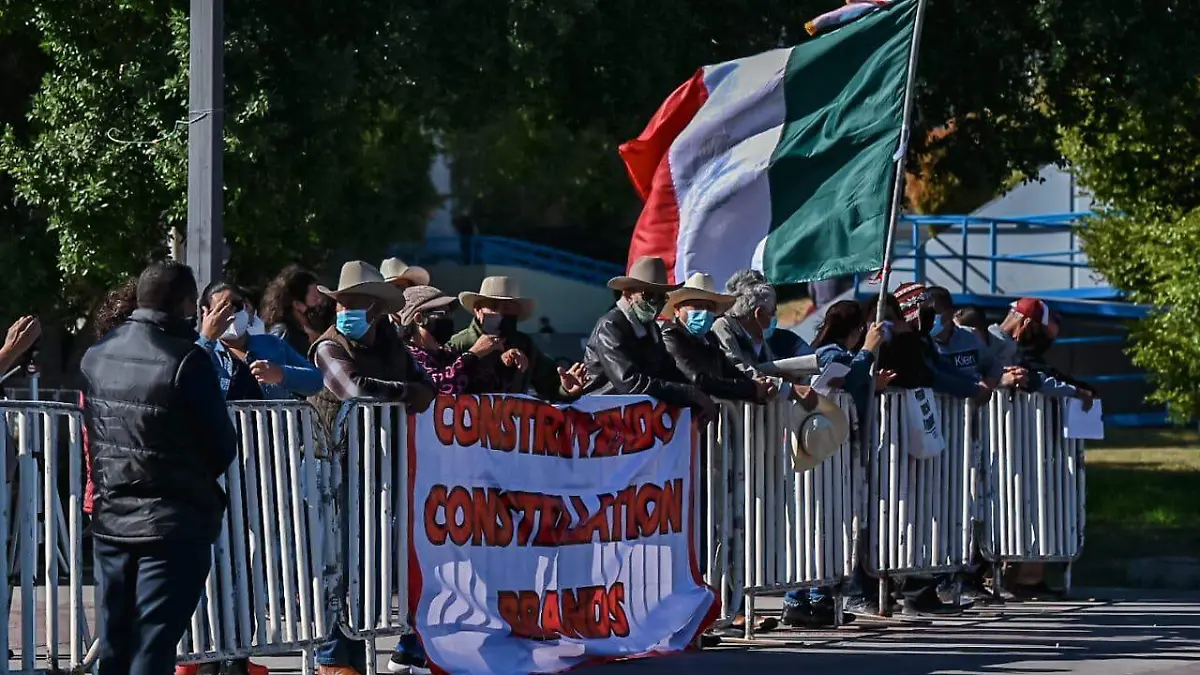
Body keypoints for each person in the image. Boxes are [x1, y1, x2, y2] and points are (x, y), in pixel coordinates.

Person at [81, 261, 237, 675]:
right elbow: (221, 446)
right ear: (186, 304)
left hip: (112, 520)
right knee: (152, 643)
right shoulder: (187, 360)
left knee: (116, 644)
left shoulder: (95, 356)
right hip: (172, 522)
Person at [309, 261, 436, 675]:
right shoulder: (328, 346)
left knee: (374, 565)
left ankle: (366, 652)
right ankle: (331, 656)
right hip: (336, 468)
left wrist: (407, 392)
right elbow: (353, 389)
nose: (345, 310)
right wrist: (406, 393)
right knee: (335, 564)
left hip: (382, 468)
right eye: (341, 303)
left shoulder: (392, 345)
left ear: (377, 309)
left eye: (355, 303)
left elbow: (429, 387)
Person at [581, 256, 716, 421]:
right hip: (601, 418)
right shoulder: (611, 326)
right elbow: (629, 382)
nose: (656, 302)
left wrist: (698, 397)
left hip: (634, 420)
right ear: (628, 295)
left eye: (662, 297)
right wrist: (689, 393)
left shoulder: (652, 328)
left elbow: (669, 372)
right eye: (649, 295)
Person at [447, 276, 587, 401]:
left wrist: (566, 389)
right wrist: (474, 354)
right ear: (478, 310)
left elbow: (550, 387)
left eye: (507, 308)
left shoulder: (524, 345)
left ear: (516, 313)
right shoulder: (459, 344)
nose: (500, 313)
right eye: (494, 307)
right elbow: (444, 386)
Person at [196, 282, 323, 401]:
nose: (232, 314)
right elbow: (187, 382)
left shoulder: (272, 344)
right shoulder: (203, 353)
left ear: (245, 306)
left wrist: (281, 374)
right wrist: (206, 339)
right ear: (207, 315)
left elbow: (316, 381)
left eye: (236, 306)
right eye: (221, 310)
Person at [661, 272, 776, 403]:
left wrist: (759, 386)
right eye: (697, 306)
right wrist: (751, 388)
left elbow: (729, 371)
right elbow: (699, 379)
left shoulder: (709, 340)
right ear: (677, 310)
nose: (704, 312)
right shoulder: (671, 337)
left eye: (709, 307)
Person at [399, 285, 500, 396]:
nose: (449, 319)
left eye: (450, 314)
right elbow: (438, 389)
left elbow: (485, 387)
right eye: (442, 314)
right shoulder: (406, 357)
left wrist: (503, 363)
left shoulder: (447, 355)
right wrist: (472, 355)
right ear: (419, 319)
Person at [811, 300, 894, 420]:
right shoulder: (835, 356)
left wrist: (872, 386)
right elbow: (850, 381)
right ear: (856, 330)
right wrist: (868, 349)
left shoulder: (819, 352)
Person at [926, 286, 1007, 387]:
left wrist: (986, 386)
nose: (928, 317)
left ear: (949, 313)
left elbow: (994, 366)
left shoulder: (970, 338)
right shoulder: (920, 343)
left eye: (933, 312)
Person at [261, 265, 334, 358]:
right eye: (315, 298)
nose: (319, 301)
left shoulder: (317, 325)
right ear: (297, 304)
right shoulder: (283, 333)